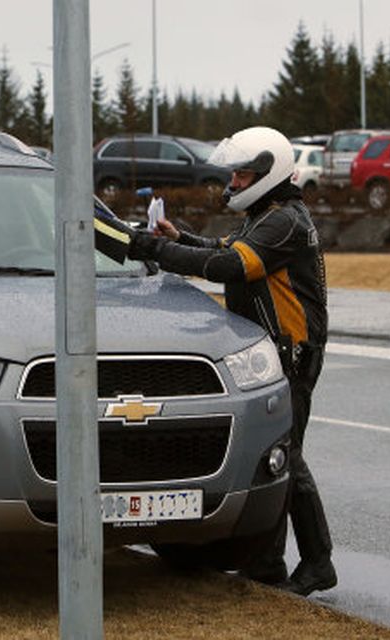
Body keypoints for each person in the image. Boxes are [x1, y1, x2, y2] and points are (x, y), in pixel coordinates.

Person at [127, 126, 336, 596]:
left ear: (267, 173)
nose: (233, 184)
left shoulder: (285, 221)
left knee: (287, 458)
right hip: (272, 352)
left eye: (242, 175)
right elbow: (224, 250)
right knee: (275, 457)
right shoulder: (269, 215)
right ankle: (267, 563)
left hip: (293, 355)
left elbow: (231, 267)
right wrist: (178, 236)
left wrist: (152, 249)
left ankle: (318, 563)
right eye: (235, 175)